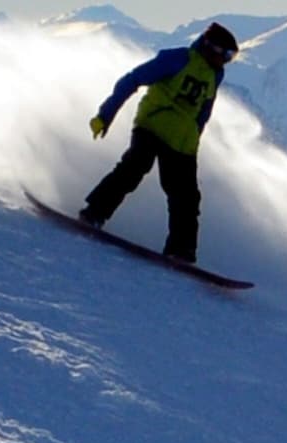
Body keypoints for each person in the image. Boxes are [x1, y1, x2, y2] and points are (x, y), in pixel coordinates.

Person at [79, 23, 238, 264]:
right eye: (225, 55)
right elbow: (132, 79)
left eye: (231, 57)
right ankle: (93, 214)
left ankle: (181, 251)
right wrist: (105, 114)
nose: (226, 61)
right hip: (152, 126)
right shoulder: (177, 59)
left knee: (186, 197)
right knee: (133, 168)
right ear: (210, 47)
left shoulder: (215, 75)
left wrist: (195, 139)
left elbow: (204, 111)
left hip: (182, 142)